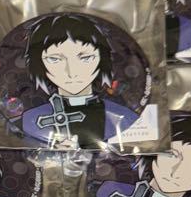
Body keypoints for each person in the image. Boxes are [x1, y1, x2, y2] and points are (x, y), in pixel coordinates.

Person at [18, 13, 139, 147]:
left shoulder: (125, 118)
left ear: (102, 59)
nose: (72, 72)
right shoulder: (29, 120)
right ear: (38, 63)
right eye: (55, 59)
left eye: (85, 58)